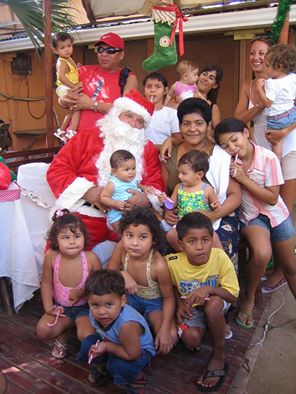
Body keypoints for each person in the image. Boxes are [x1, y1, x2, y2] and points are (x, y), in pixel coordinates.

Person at [47, 89, 164, 250]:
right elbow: (57, 170)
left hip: (128, 221)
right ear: (116, 114)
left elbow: (156, 183)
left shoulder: (147, 149)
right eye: (128, 116)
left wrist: (145, 199)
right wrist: (88, 191)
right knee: (66, 253)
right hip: (86, 214)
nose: (133, 124)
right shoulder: (87, 136)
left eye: (140, 121)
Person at [214, 118, 296, 329]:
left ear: (245, 133)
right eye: (225, 145)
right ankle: (248, 298)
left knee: (290, 266)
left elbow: (271, 198)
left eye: (234, 140)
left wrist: (243, 178)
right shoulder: (228, 164)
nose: (232, 147)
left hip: (276, 213)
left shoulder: (268, 158)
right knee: (261, 253)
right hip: (252, 217)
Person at [234, 35, 296, 292]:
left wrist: (284, 132)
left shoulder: (287, 82)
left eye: (262, 53)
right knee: (259, 206)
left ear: (273, 59)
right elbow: (238, 118)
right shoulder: (250, 85)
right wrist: (258, 105)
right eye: (252, 53)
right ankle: (263, 256)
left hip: (288, 147)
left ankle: (283, 267)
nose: (256, 58)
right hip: (260, 153)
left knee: (285, 208)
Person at [161, 98, 241, 266]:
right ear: (180, 126)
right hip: (183, 217)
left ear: (208, 125)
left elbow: (235, 196)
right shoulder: (170, 153)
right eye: (186, 124)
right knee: (163, 247)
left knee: (218, 247)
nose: (192, 129)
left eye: (199, 123)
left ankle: (220, 286)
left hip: (218, 214)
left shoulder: (220, 155)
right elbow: (166, 192)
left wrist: (212, 215)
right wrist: (167, 211)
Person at [166, 212, 239, 392]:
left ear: (212, 239)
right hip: (192, 308)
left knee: (213, 305)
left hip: (217, 302)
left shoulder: (219, 257)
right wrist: (179, 304)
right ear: (181, 244)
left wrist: (210, 289)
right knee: (191, 340)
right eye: (192, 241)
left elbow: (233, 296)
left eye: (205, 240)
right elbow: (172, 286)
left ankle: (218, 354)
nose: (200, 247)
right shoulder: (172, 262)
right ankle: (213, 327)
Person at [107, 207, 177, 355]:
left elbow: (169, 298)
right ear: (123, 236)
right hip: (130, 298)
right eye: (129, 235)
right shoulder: (122, 248)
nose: (134, 243)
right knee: (113, 326)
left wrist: (164, 329)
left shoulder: (158, 265)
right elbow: (109, 271)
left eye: (143, 237)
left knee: (168, 340)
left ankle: (157, 328)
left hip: (153, 304)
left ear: (154, 240)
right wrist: (123, 274)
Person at [36, 209, 102, 359]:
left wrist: (83, 292)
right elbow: (46, 283)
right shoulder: (52, 256)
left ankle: (74, 327)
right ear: (55, 240)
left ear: (84, 237)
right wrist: (48, 307)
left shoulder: (91, 259)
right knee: (42, 330)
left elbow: (100, 287)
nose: (72, 242)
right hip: (61, 309)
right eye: (65, 237)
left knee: (88, 337)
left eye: (77, 236)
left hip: (85, 309)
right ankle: (64, 332)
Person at [78, 269, 156, 393]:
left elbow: (133, 354)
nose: (102, 311)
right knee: (88, 344)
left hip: (137, 351)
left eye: (109, 305)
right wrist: (104, 346)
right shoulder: (96, 313)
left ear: (123, 301)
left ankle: (136, 378)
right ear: (89, 302)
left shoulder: (127, 325)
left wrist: (107, 347)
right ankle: (103, 368)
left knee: (118, 365)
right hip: (114, 342)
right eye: (95, 305)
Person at [59, 32, 138, 131]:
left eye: (110, 50)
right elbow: (62, 97)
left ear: (121, 55)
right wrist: (65, 100)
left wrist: (92, 105)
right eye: (100, 50)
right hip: (75, 140)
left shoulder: (128, 78)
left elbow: (127, 112)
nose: (104, 54)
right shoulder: (82, 71)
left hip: (106, 142)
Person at [165, 150, 222, 251]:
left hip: (202, 224)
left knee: (214, 238)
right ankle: (187, 254)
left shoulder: (207, 189)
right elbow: (172, 205)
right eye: (179, 173)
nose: (179, 176)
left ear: (199, 174)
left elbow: (215, 205)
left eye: (184, 173)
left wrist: (215, 205)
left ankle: (221, 260)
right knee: (170, 235)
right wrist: (165, 200)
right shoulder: (179, 187)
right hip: (183, 223)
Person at [256, 43, 296, 159]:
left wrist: (259, 89)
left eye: (267, 66)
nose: (265, 69)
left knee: (276, 143)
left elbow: (267, 103)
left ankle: (277, 164)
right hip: (291, 114)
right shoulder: (293, 77)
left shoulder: (271, 83)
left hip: (276, 119)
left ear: (278, 66)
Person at [100, 150, 142, 235]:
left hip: (133, 212)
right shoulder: (113, 184)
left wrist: (144, 188)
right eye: (126, 169)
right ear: (114, 172)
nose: (131, 172)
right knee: (122, 234)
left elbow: (139, 186)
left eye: (133, 168)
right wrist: (115, 203)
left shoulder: (133, 180)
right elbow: (103, 197)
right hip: (117, 215)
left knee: (135, 231)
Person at [52, 32, 81, 142]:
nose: (67, 49)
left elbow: (71, 73)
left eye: (69, 46)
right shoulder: (62, 61)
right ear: (56, 50)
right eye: (62, 47)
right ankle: (72, 131)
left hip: (67, 88)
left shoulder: (69, 59)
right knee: (78, 107)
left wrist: (77, 68)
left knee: (72, 111)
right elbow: (61, 77)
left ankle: (62, 130)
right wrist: (73, 87)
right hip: (64, 88)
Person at [143, 72, 181, 150]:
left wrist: (168, 142)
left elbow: (178, 139)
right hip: (140, 156)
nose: (153, 90)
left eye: (158, 87)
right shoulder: (137, 112)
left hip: (163, 157)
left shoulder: (172, 113)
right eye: (149, 87)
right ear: (143, 90)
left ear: (165, 90)